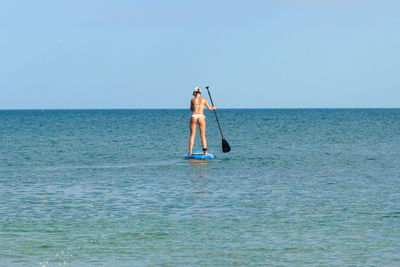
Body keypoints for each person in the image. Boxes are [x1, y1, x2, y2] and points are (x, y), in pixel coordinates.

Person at [188, 86, 216, 155]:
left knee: (192, 135)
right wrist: (213, 108)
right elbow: (209, 108)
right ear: (200, 92)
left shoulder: (192, 100)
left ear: (195, 92)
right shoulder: (204, 99)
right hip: (201, 116)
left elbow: (191, 109)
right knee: (203, 135)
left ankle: (190, 151)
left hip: (194, 116)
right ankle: (205, 151)